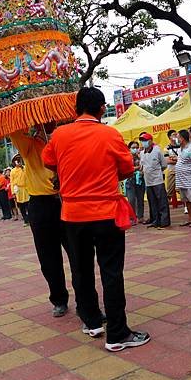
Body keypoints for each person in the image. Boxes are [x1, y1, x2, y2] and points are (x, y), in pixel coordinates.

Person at [42, 87, 150, 352]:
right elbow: (126, 169)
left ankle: (91, 321)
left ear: (75, 109)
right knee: (111, 271)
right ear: (102, 108)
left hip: (72, 215)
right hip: (105, 213)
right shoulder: (110, 134)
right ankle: (117, 333)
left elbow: (48, 161)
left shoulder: (59, 134)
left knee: (81, 269)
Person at [11, 126, 72, 317]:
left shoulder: (64, 140)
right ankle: (59, 299)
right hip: (40, 204)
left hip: (66, 201)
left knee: (79, 254)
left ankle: (87, 302)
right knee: (48, 257)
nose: (47, 124)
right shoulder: (29, 145)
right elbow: (13, 130)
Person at [140, 133, 170, 229]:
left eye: (145, 140)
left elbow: (164, 164)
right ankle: (155, 221)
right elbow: (142, 166)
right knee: (152, 202)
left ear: (150, 141)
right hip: (148, 182)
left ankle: (164, 221)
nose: (143, 142)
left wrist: (157, 172)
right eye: (142, 140)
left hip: (158, 181)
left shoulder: (157, 151)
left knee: (162, 202)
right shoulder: (142, 153)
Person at [124, 141, 145, 223]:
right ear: (129, 149)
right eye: (133, 148)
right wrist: (136, 168)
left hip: (140, 179)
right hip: (130, 180)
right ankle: (132, 218)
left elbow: (144, 166)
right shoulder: (126, 158)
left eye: (137, 147)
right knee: (131, 200)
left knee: (140, 199)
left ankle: (140, 217)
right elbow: (127, 169)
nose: (135, 149)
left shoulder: (141, 156)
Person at [10, 154, 29, 226]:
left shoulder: (24, 168)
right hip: (18, 189)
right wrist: (13, 192)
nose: (18, 161)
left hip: (26, 189)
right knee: (21, 206)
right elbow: (12, 182)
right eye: (16, 160)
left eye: (19, 160)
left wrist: (22, 167)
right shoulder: (13, 171)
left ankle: (30, 219)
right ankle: (25, 220)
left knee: (28, 205)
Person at [165, 129, 179, 198]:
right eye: (174, 134)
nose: (176, 136)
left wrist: (174, 159)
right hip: (172, 171)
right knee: (169, 191)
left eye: (176, 134)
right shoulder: (167, 148)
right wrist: (179, 159)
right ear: (169, 137)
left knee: (182, 190)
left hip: (181, 170)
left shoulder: (181, 146)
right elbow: (167, 161)